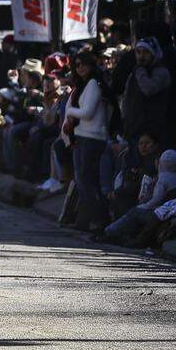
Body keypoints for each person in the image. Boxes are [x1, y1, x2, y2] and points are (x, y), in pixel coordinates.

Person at [65, 52, 109, 231]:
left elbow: (87, 113)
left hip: (92, 138)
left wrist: (70, 111)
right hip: (81, 136)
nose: (80, 67)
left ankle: (99, 219)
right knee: (83, 180)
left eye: (84, 63)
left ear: (91, 65)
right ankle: (85, 220)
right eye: (77, 64)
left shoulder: (93, 83)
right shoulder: (81, 85)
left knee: (87, 181)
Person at [120, 38, 171, 143]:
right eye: (138, 52)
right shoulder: (135, 73)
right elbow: (127, 98)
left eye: (146, 52)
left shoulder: (161, 72)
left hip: (153, 133)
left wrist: (140, 70)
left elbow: (148, 89)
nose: (141, 56)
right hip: (133, 129)